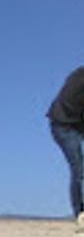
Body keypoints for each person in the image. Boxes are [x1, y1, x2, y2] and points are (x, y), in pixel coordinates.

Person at [48, 66, 84, 217]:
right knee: (80, 170)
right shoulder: (79, 78)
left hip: (76, 122)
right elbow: (69, 103)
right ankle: (80, 215)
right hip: (63, 125)